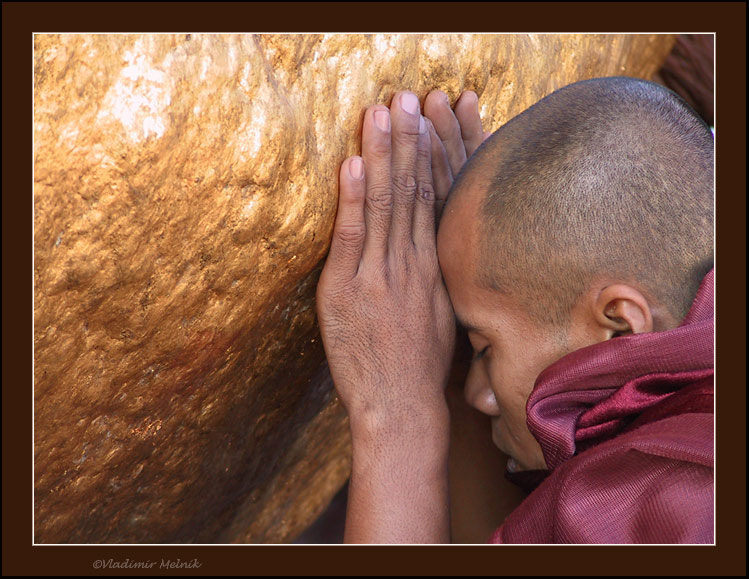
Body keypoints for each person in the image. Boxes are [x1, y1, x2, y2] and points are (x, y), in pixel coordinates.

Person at [315, 77, 714, 544]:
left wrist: (396, 414)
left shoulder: (662, 496)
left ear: (621, 328)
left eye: (484, 349)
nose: (477, 396)